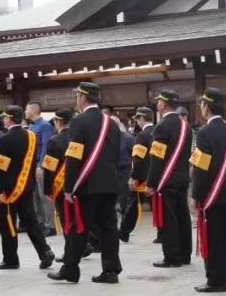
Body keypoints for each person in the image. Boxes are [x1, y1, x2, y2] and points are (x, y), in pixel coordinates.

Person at [48, 82, 123, 284]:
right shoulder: (112, 123)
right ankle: (111, 269)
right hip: (109, 183)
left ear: (82, 98)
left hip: (87, 184)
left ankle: (70, 269)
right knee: (109, 228)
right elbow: (116, 155)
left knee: (78, 227)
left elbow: (74, 156)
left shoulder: (79, 122)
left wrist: (69, 186)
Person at [0, 105, 54, 270]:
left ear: (9, 118)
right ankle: (45, 251)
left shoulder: (5, 139)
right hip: (27, 185)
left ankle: (11, 259)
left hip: (9, 189)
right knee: (31, 221)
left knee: (8, 224)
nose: (4, 120)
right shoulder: (31, 136)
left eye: (5, 117)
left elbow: (1, 167)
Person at [190, 88, 226, 293]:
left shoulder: (205, 132)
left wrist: (195, 196)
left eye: (202, 104)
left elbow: (201, 168)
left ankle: (215, 279)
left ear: (207, 107)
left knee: (213, 236)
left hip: (210, 193)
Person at [144, 89, 193, 267]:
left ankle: (172, 257)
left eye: (159, 101)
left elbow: (156, 158)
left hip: (167, 178)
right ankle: (185, 254)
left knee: (169, 218)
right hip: (182, 177)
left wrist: (151, 183)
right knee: (183, 216)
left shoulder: (162, 126)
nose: (158, 104)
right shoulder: (185, 125)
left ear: (163, 104)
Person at [41, 109, 76, 259]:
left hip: (61, 186)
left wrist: (48, 189)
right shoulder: (78, 137)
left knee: (65, 218)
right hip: (79, 184)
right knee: (79, 217)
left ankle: (70, 250)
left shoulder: (54, 140)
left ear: (59, 121)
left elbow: (49, 168)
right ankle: (84, 245)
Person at [121, 107, 156, 242]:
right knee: (158, 206)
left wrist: (133, 177)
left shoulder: (141, 136)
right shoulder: (158, 131)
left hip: (142, 178)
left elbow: (138, 159)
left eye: (137, 119)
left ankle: (124, 232)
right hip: (156, 176)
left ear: (141, 118)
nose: (137, 122)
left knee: (133, 205)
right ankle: (162, 233)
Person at [26, 101, 56, 236]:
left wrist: (41, 165)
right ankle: (40, 222)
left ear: (33, 110)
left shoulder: (44, 126)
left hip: (40, 165)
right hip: (31, 166)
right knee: (35, 197)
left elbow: (45, 146)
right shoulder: (31, 127)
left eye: (27, 109)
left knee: (44, 196)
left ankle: (50, 225)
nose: (25, 111)